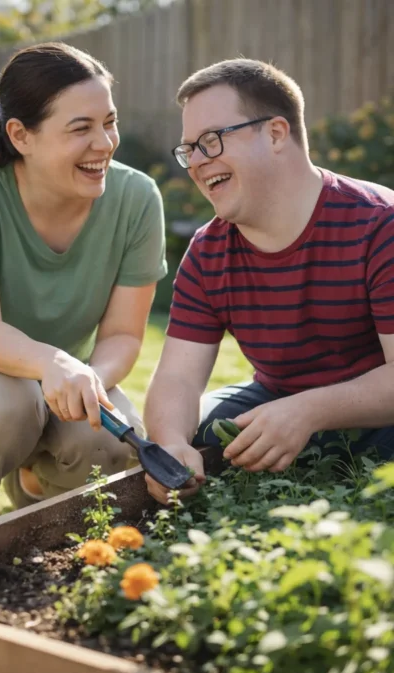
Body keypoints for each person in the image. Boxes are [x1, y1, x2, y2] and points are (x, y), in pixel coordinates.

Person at [0, 42, 168, 541]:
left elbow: (126, 335)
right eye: (80, 128)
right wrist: (51, 365)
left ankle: (35, 497)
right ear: (21, 136)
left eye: (109, 122)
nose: (105, 143)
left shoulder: (137, 199)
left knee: (108, 442)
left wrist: (90, 383)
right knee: (8, 403)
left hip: (57, 383)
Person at [143, 58, 394, 505]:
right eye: (189, 149)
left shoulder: (379, 224)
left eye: (212, 141)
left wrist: (309, 411)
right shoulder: (208, 251)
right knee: (201, 429)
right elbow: (177, 378)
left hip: (379, 415)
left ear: (276, 133)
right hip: (279, 398)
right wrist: (170, 442)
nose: (197, 162)